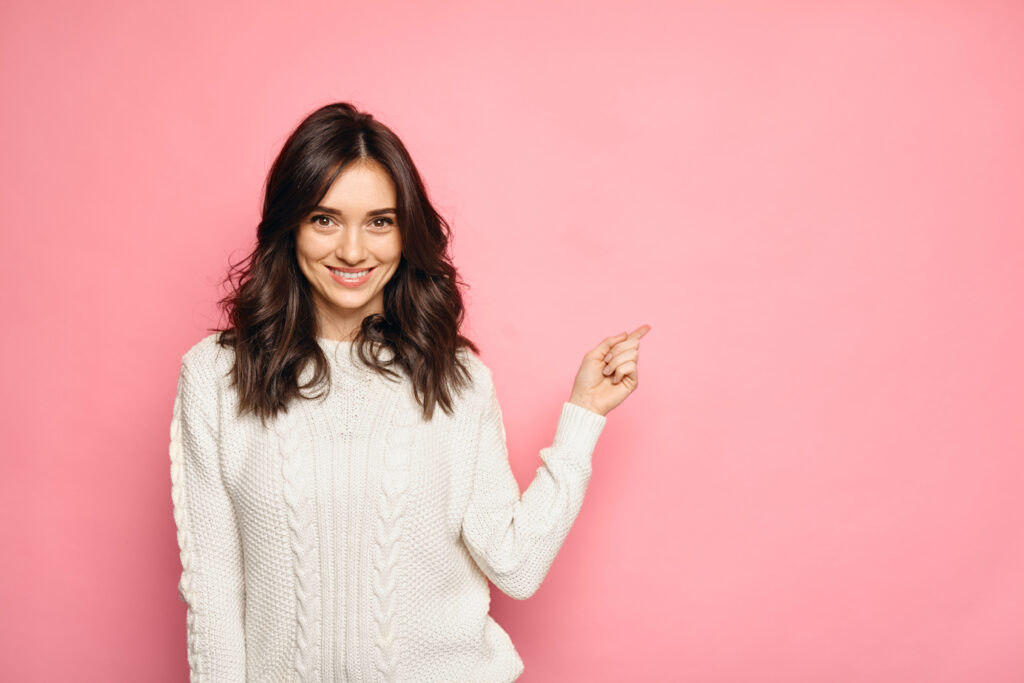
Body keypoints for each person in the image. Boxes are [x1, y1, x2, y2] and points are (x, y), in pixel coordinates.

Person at [169, 101, 650, 683]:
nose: (352, 250)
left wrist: (583, 417)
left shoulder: (456, 379)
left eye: (379, 221)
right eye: (324, 219)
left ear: (406, 232)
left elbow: (517, 566)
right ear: (289, 225)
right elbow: (214, 592)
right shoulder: (216, 378)